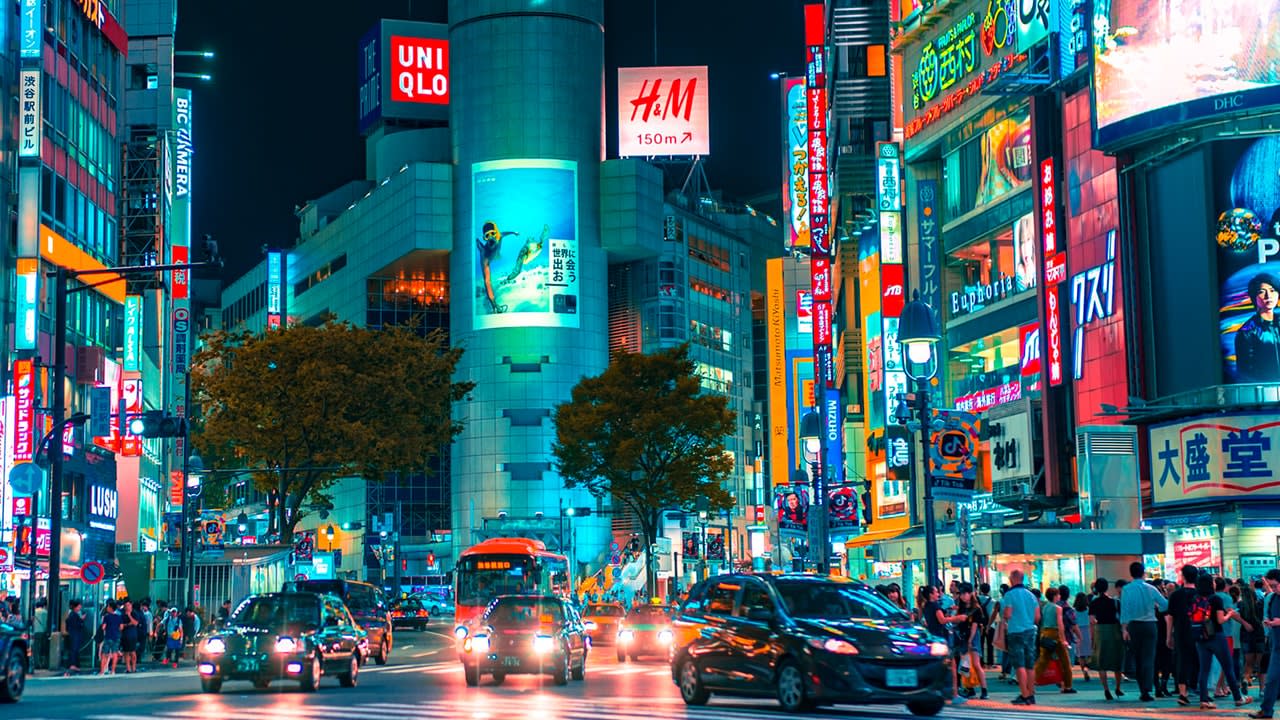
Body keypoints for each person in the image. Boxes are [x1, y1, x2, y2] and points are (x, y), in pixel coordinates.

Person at [1192, 573, 1251, 710]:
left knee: (1204, 669)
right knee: (1228, 667)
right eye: (1212, 581)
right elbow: (1220, 620)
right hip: (1216, 636)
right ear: (1209, 584)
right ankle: (1238, 698)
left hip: (1201, 637)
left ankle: (1204, 700)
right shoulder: (1215, 599)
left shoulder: (1196, 598)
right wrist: (1229, 614)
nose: (1214, 583)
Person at [1120, 561, 1167, 702]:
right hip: (1150, 625)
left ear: (1131, 573)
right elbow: (1164, 604)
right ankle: (1147, 690)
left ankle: (1142, 689)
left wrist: (1124, 628)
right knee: (1149, 658)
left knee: (1138, 658)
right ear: (1143, 573)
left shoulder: (1127, 589)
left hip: (1134, 625)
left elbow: (1124, 609)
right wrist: (1157, 608)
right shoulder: (1151, 588)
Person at [922, 585, 969, 705]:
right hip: (941, 639)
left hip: (933, 638)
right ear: (931, 594)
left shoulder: (926, 606)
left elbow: (931, 621)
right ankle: (954, 694)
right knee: (952, 666)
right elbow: (942, 620)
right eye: (936, 592)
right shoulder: (935, 606)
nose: (938, 593)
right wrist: (958, 617)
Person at [1003, 569, 1041, 705]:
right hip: (1030, 631)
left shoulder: (1009, 595)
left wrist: (1006, 618)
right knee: (1030, 664)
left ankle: (1024, 694)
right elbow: (1037, 617)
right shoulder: (1031, 596)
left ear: (1013, 579)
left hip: (1016, 631)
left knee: (1019, 664)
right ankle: (1031, 694)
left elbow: (1007, 614)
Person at [1235, 272, 1280, 382]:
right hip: (1264, 394)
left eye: (1272, 290)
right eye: (1261, 292)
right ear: (1254, 297)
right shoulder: (1247, 332)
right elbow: (1245, 373)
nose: (1268, 296)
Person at [1249, 569, 1280, 719]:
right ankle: (1266, 711)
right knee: (1272, 679)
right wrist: (1268, 623)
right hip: (1277, 647)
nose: (1274, 589)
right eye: (1271, 586)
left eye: (1275, 586)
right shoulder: (1272, 598)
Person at [1034, 587, 1076, 693]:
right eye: (1058, 595)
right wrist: (1063, 639)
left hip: (1045, 633)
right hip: (1055, 634)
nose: (1059, 596)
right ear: (1054, 596)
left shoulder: (1045, 607)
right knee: (1065, 661)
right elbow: (1060, 625)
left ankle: (1030, 681)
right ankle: (1067, 686)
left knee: (1043, 661)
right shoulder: (1058, 608)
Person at [1090, 577, 1124, 700]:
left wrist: (1092, 637)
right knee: (1117, 661)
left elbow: (1092, 621)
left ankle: (1106, 690)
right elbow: (1121, 618)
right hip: (1114, 630)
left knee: (1101, 662)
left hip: (1100, 631)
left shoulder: (1094, 603)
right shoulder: (1115, 602)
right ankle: (1118, 687)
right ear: (1107, 588)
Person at [956, 583, 989, 700]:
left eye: (965, 593)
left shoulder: (976, 608)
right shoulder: (961, 607)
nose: (963, 596)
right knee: (965, 664)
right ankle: (969, 689)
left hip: (972, 637)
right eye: (961, 594)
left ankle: (984, 690)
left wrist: (970, 640)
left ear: (971, 593)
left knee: (975, 664)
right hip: (963, 637)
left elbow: (975, 625)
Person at [475, 221, 513, 314]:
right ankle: (494, 305)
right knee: (487, 282)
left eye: (493, 233)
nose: (491, 237)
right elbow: (487, 282)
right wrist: (494, 304)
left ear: (496, 233)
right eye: (487, 236)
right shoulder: (484, 255)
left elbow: (504, 233)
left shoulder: (499, 237)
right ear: (485, 238)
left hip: (496, 254)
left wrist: (513, 233)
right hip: (487, 259)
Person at [1073, 592, 1093, 682]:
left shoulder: (1073, 611)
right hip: (1087, 632)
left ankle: (1084, 671)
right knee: (1089, 653)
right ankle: (1087, 668)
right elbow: (1092, 622)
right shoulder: (1089, 610)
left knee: (1081, 655)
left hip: (1078, 633)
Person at [99, 601, 123, 675]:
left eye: (108, 606)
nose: (107, 608)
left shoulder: (106, 617)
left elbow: (103, 627)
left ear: (110, 608)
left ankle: (102, 671)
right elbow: (121, 627)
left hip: (108, 636)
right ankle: (113, 671)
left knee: (104, 654)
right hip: (116, 636)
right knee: (115, 653)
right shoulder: (119, 617)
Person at [64, 600, 86, 675]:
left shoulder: (71, 614)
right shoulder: (74, 615)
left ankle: (73, 664)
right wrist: (81, 620)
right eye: (79, 606)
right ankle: (73, 664)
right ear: (75, 606)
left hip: (72, 634)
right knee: (74, 649)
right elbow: (77, 625)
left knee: (74, 649)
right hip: (75, 634)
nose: (80, 607)